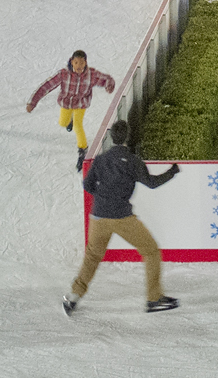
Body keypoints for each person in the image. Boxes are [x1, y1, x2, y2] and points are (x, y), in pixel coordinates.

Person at [65, 119, 180, 315]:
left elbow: (87, 185)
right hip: (122, 217)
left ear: (111, 137)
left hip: (98, 216)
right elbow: (152, 183)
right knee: (151, 251)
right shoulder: (133, 161)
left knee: (92, 257)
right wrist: (172, 171)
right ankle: (154, 299)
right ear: (128, 136)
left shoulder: (100, 160)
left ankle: (73, 297)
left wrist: (103, 198)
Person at [28, 49, 117, 171]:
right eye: (76, 63)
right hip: (66, 104)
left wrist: (109, 85)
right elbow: (47, 86)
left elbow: (106, 79)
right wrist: (33, 101)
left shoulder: (91, 74)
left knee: (78, 126)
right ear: (71, 62)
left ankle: (82, 150)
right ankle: (69, 121)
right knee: (62, 122)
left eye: (82, 63)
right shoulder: (64, 74)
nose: (79, 66)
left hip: (81, 104)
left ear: (86, 63)